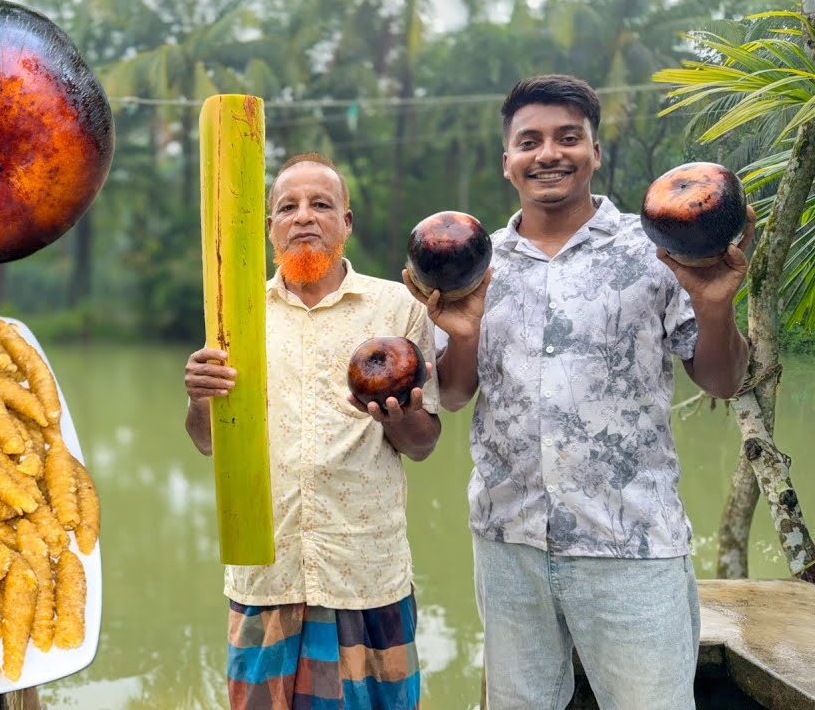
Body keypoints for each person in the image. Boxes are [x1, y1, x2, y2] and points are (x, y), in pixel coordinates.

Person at [415, 74, 753, 710]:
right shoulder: (473, 262)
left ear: (595, 152)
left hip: (632, 541)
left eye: (569, 138)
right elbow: (455, 397)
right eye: (530, 141)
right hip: (508, 539)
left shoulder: (658, 250)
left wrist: (713, 309)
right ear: (507, 161)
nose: (549, 153)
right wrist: (462, 336)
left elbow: (724, 379)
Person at [183, 153, 442, 710]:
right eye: (288, 207)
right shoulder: (236, 314)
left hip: (364, 570)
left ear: (346, 221)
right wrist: (198, 397)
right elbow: (207, 441)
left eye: (321, 204)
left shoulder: (399, 308)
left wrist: (400, 417)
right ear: (270, 228)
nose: (304, 217)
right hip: (265, 570)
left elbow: (423, 444)